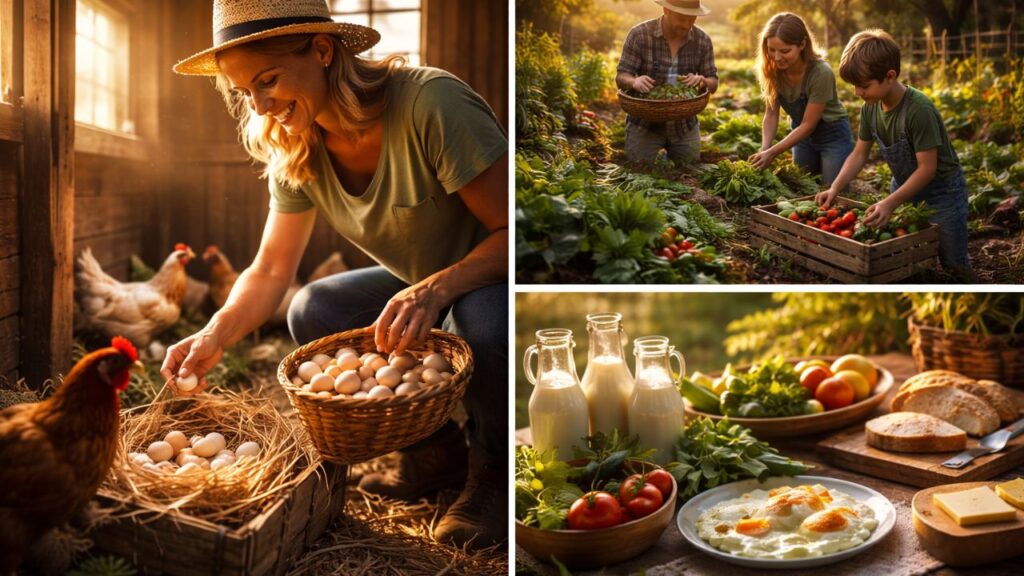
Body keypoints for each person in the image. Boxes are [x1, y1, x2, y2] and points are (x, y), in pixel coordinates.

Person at [160, 0, 508, 549]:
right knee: (314, 309)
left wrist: (440, 286)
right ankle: (434, 457)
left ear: (323, 50)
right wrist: (214, 334)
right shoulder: (295, 140)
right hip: (419, 284)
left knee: (486, 322)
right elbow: (273, 268)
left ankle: (493, 472)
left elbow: (516, 234)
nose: (259, 104)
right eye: (242, 90)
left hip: (492, 279)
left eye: (268, 80)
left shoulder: (431, 104)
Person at [817, 29, 971, 279]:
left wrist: (890, 202)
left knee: (953, 262)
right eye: (855, 86)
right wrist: (835, 187)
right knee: (904, 255)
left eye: (864, 85)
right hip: (902, 187)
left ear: (890, 76)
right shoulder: (870, 108)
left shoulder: (918, 109)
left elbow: (927, 169)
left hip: (942, 194)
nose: (857, 92)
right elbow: (859, 153)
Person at [748, 13, 853, 188]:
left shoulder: (820, 73)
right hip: (802, 137)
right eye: (771, 50)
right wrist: (765, 148)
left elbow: (808, 124)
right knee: (803, 187)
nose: (777, 57)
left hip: (833, 136)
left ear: (802, 45)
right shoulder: (772, 70)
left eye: (785, 51)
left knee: (833, 191)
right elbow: (771, 114)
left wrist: (773, 152)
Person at [615, 0, 718, 165]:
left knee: (689, 170)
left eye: (691, 19)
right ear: (666, 10)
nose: (686, 25)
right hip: (644, 124)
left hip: (684, 125)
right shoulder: (640, 35)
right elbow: (621, 76)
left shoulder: (702, 40)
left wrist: (703, 80)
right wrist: (634, 81)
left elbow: (713, 82)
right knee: (640, 171)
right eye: (681, 18)